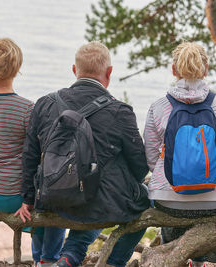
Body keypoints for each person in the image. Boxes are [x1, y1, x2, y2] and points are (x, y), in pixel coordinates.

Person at [16, 41, 150, 267]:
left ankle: (68, 258)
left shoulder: (44, 104)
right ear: (109, 72)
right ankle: (112, 262)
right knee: (146, 201)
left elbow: (29, 156)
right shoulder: (120, 111)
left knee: (93, 203)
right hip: (101, 204)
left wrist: (28, 198)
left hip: (54, 200)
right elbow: (140, 167)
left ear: (74, 71)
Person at [143, 42, 216, 267]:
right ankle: (204, 263)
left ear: (174, 70)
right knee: (208, 244)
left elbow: (151, 156)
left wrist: (175, 173)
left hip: (171, 201)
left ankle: (177, 260)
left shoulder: (158, 107)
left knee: (174, 237)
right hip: (215, 202)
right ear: (205, 69)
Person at [0, 38, 65, 267]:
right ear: (18, 68)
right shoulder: (26, 108)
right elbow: (34, 158)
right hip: (13, 197)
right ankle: (46, 260)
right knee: (51, 204)